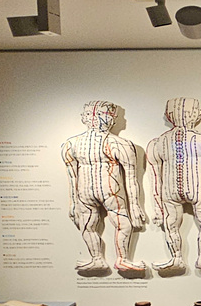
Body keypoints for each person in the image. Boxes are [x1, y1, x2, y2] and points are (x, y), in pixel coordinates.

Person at [61, 100, 147, 272]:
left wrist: (135, 206)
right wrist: (73, 203)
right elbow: (72, 177)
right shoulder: (118, 144)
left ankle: (115, 259)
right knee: (92, 225)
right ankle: (103, 259)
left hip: (99, 192)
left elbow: (131, 177)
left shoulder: (72, 144)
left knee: (114, 225)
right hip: (104, 192)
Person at [145, 97, 201, 273]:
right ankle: (189, 259)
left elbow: (155, 179)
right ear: (198, 115)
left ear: (168, 115)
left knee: (174, 224)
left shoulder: (158, 143)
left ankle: (185, 258)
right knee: (196, 223)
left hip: (173, 192)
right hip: (194, 191)